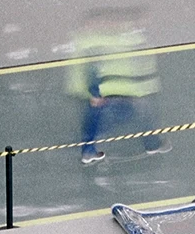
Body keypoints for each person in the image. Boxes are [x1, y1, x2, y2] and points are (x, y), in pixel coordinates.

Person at [67, 8, 163, 164]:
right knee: (103, 118)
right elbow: (92, 67)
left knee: (97, 119)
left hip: (112, 87)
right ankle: (87, 149)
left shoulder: (90, 38)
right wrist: (95, 92)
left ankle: (88, 149)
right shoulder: (95, 40)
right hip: (112, 88)